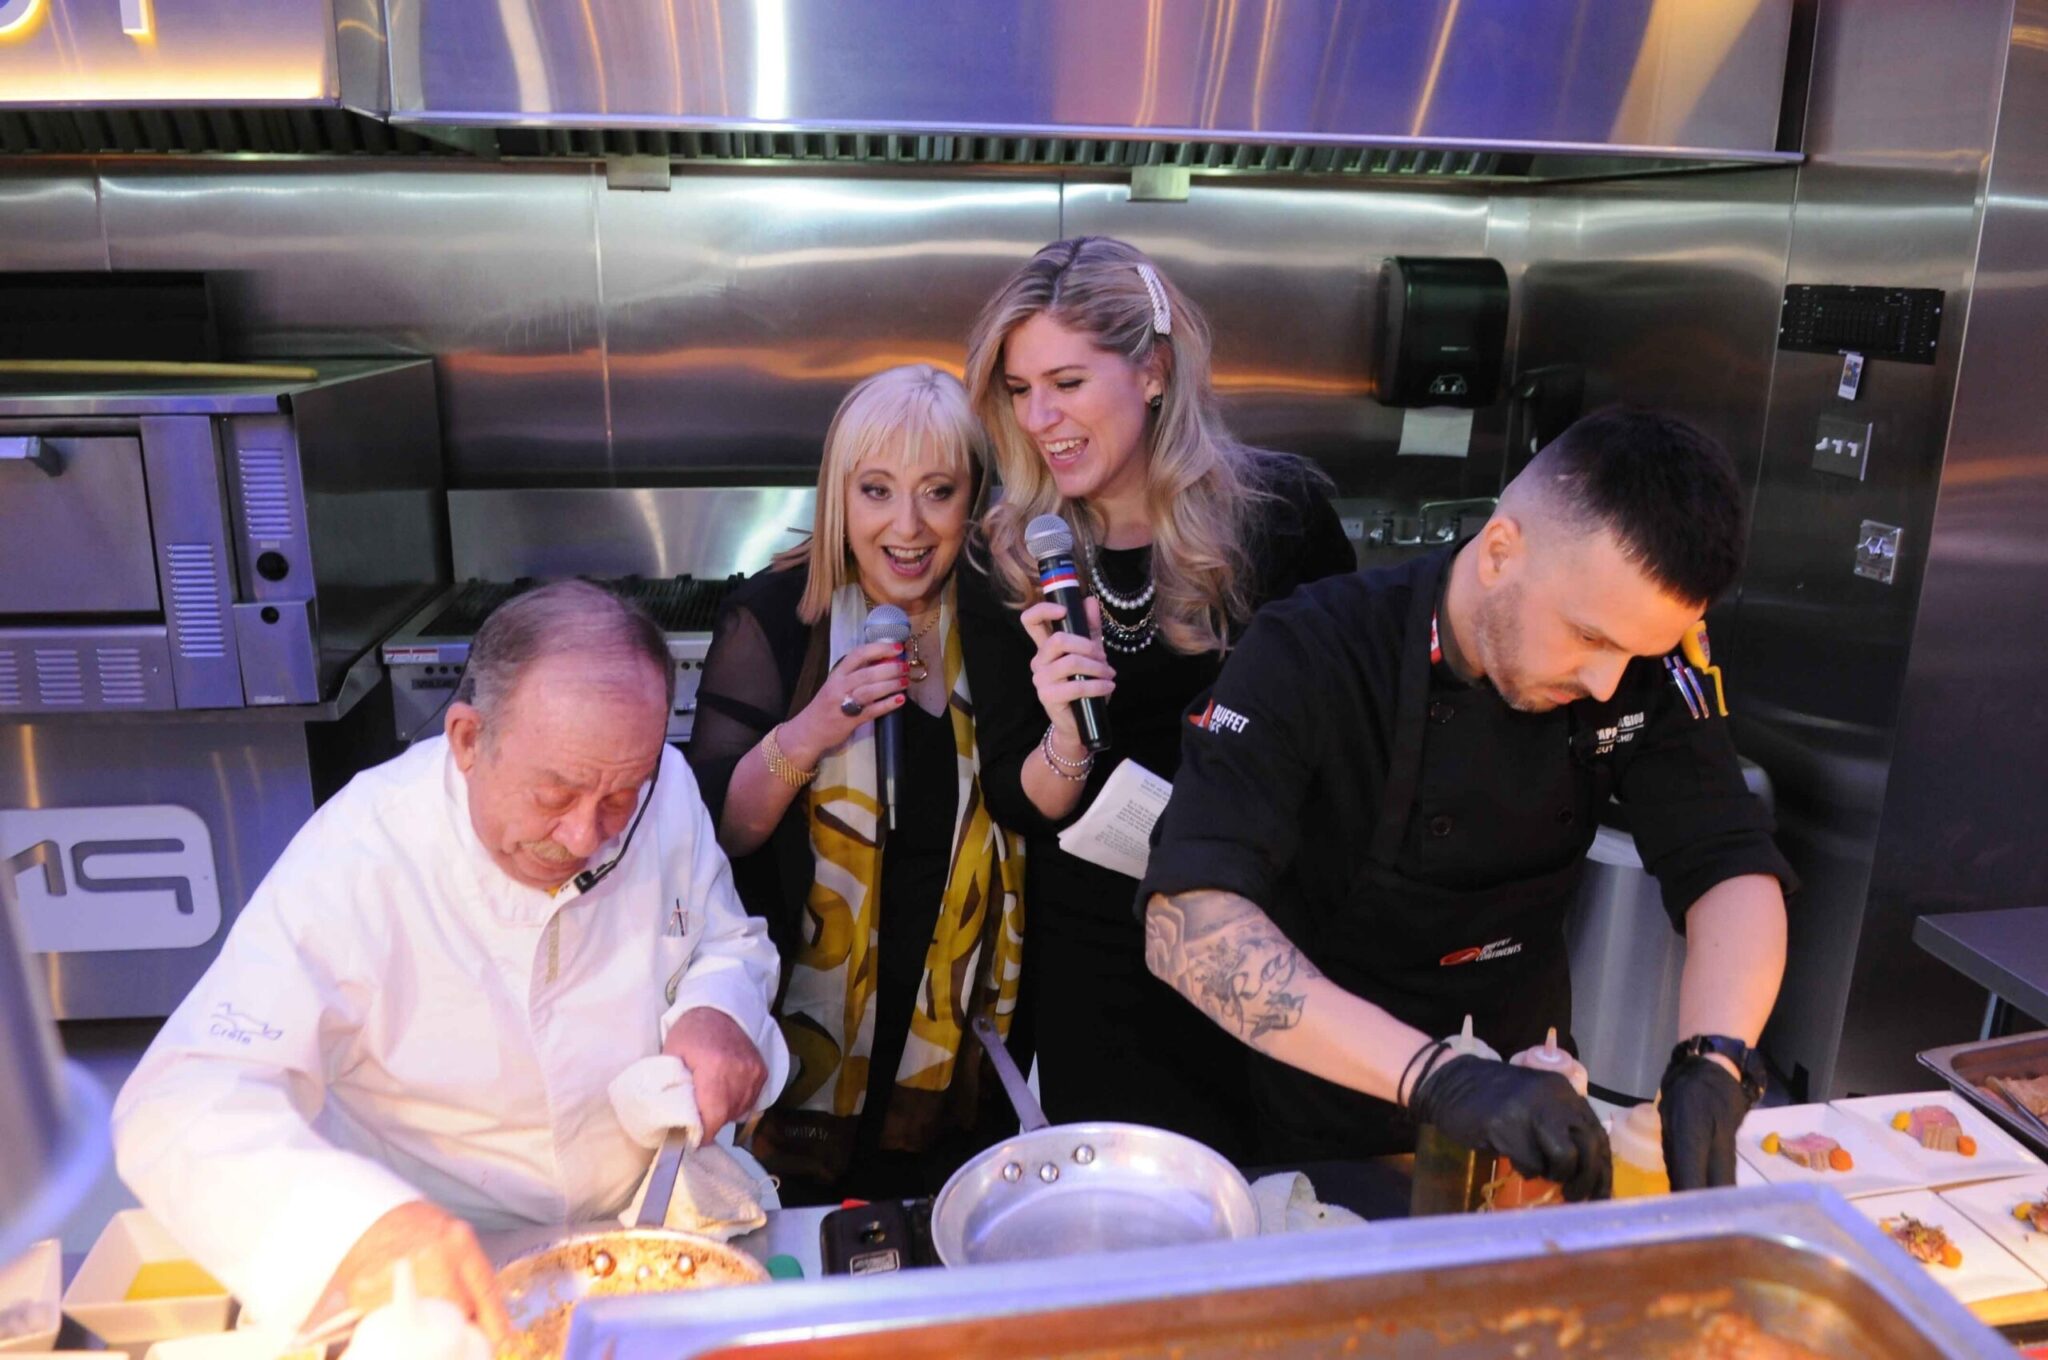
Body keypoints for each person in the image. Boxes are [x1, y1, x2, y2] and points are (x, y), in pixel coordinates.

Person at [1139, 408, 1796, 1197]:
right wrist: (1441, 1078)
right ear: (1499, 552)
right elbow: (1190, 926)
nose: (1606, 683)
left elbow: (1727, 859)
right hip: (1332, 1121)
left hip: (1541, 1113)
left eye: (1635, 653)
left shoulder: (1644, 668)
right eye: (1589, 638)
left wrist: (1716, 1059)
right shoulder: (1312, 652)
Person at [113, 582, 787, 1341]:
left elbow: (726, 941)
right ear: (468, 740)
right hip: (442, 1277)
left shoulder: (663, 792)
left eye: (619, 797)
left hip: (647, 1239)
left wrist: (718, 1007)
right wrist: (359, 1229)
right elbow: (180, 1100)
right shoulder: (363, 854)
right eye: (554, 794)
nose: (583, 836)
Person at [956, 237, 1356, 1161]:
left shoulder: (1279, 516)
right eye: (1019, 390)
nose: (1041, 418)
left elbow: (1346, 736)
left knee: (1279, 1200)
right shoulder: (1007, 553)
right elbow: (1018, 799)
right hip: (1103, 959)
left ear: (1154, 371)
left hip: (1268, 931)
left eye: (1067, 382)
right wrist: (1066, 736)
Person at [686, 364, 1026, 1203]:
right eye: (876, 491)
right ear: (840, 495)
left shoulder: (998, 619)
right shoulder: (777, 617)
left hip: (951, 1034)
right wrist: (815, 726)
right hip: (804, 1025)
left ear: (973, 499)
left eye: (937, 492)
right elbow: (723, 833)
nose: (906, 527)